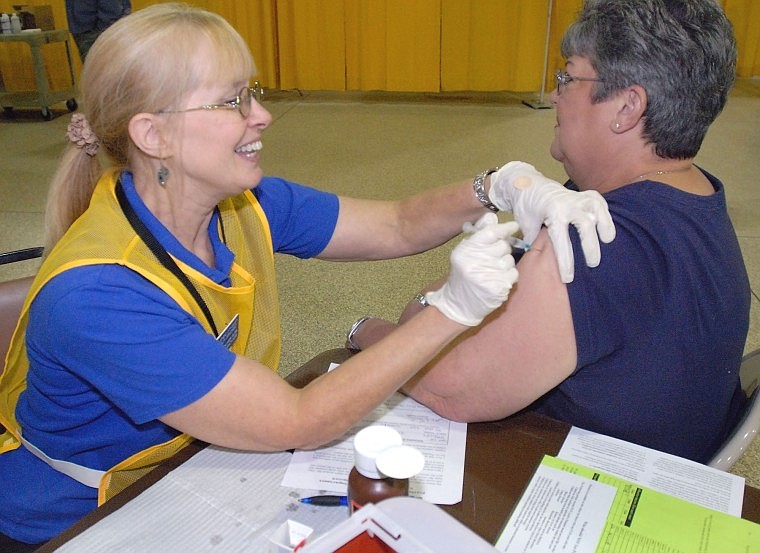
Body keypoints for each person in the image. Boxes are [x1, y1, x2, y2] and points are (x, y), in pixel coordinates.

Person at [0, 4, 614, 547]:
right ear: (152, 134)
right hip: (76, 523)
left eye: (254, 92)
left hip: (184, 465)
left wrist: (502, 185)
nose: (262, 115)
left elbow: (397, 225)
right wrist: (452, 312)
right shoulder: (98, 295)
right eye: (232, 100)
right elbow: (297, 421)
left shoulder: (241, 204)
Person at [351, 0, 751, 465]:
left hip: (594, 492)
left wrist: (365, 332)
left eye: (568, 77)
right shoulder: (694, 192)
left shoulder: (598, 233)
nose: (555, 95)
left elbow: (451, 389)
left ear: (627, 107)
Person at [65, 0, 131, 61]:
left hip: (97, 30)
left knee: (106, 70)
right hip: (85, 26)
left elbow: (112, 10)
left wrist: (103, 33)